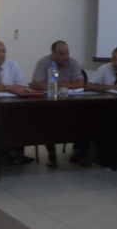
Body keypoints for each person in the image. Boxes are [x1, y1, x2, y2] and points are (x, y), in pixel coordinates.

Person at [30, 40, 87, 168]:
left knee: (83, 116)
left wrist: (67, 86)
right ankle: (52, 154)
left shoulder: (73, 63)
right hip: (49, 104)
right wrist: (55, 87)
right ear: (53, 54)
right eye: (62, 54)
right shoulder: (44, 62)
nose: (66, 57)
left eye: (67, 53)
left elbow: (81, 83)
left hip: (70, 103)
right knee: (48, 120)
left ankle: (77, 153)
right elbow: (35, 83)